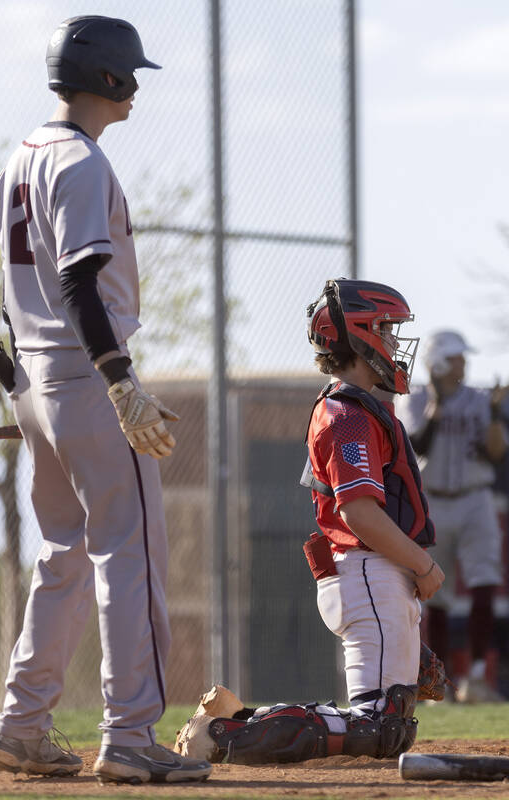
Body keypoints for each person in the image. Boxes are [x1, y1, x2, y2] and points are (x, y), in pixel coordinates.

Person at [0, 16, 211, 784]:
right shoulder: (79, 162)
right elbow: (79, 280)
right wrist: (120, 381)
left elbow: (19, 293)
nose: (137, 87)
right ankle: (131, 735)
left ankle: (21, 724)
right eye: (129, 74)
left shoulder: (18, 158)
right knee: (131, 556)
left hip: (39, 380)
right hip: (86, 378)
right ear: (106, 80)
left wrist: (26, 384)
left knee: (64, 558)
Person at [173, 279, 444, 764]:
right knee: (378, 727)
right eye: (385, 328)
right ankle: (220, 735)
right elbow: (358, 513)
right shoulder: (347, 413)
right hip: (368, 570)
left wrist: (410, 642)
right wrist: (422, 567)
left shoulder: (360, 408)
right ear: (360, 336)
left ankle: (234, 722)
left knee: (390, 728)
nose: (395, 342)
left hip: (375, 575)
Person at [397, 330, 509, 703]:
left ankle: (477, 676)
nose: (464, 364)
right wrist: (438, 402)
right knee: (435, 593)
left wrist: (494, 413)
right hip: (432, 503)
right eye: (457, 358)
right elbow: (418, 446)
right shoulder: (414, 400)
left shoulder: (478, 400)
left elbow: (496, 454)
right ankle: (438, 682)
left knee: (485, 579)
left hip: (475, 497)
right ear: (441, 363)